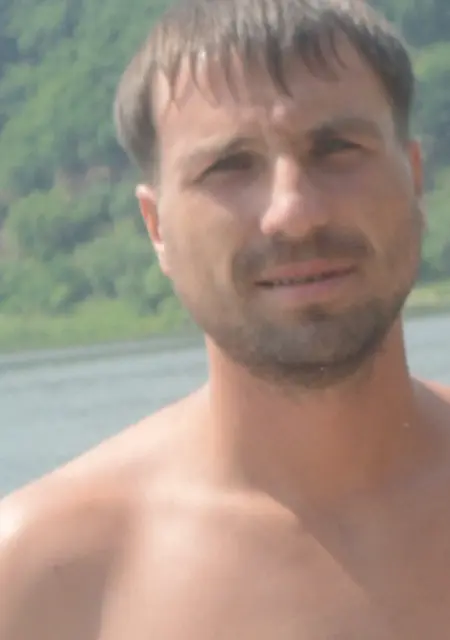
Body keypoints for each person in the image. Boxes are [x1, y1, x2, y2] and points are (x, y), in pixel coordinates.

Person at [1, 0, 450, 637]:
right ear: (157, 228)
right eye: (229, 166)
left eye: (337, 148)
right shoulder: (41, 578)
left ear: (414, 178)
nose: (294, 212)